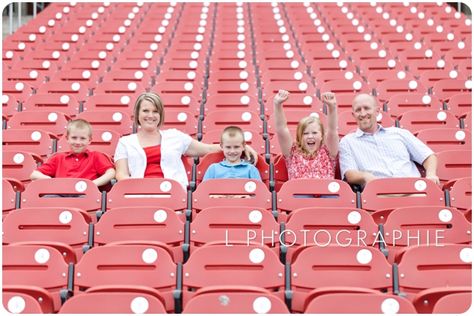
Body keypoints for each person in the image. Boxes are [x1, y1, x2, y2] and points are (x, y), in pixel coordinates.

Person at [114, 92, 257, 189]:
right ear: (137, 114)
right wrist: (142, 190)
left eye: (155, 111)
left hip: (172, 194)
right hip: (138, 195)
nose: (150, 115)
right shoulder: (125, 142)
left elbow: (206, 149)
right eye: (145, 111)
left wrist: (243, 148)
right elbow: (121, 174)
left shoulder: (175, 136)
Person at [339, 93, 439, 186]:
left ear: (377, 111)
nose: (363, 113)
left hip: (413, 187)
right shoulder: (347, 142)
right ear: (353, 115)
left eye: (366, 108)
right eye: (358, 110)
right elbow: (349, 174)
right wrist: (365, 176)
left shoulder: (399, 133)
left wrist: (431, 174)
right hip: (380, 192)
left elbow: (428, 156)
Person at [273, 89, 339, 180]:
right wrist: (277, 104)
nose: (310, 136)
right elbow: (281, 129)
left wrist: (332, 106)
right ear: (300, 137)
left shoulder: (328, 152)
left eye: (315, 133)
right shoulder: (292, 152)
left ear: (321, 136)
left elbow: (332, 130)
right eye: (305, 133)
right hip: (298, 194)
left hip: (324, 193)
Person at [30, 119, 116, 188]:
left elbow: (111, 173)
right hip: (59, 194)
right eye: (74, 138)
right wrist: (50, 180)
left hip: (84, 194)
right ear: (67, 138)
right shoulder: (58, 157)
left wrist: (92, 184)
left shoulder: (96, 156)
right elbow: (34, 175)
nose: (78, 142)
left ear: (89, 140)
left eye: (82, 138)